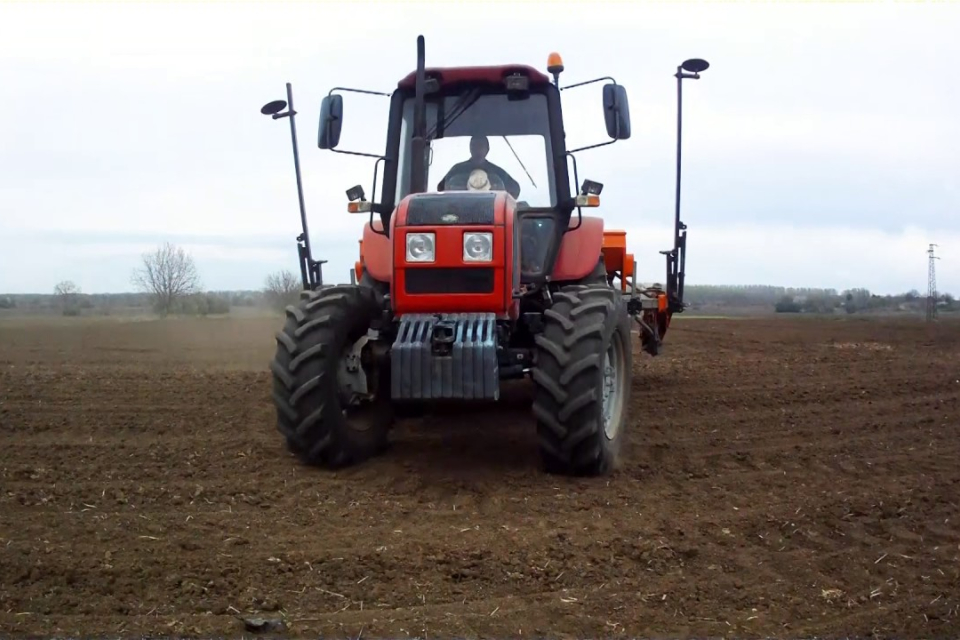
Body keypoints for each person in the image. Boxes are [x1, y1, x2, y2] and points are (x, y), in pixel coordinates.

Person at [437, 135, 521, 199]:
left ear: (487, 149)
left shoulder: (497, 172)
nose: (477, 149)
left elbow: (515, 190)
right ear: (470, 148)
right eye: (474, 146)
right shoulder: (457, 170)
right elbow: (441, 189)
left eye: (480, 146)